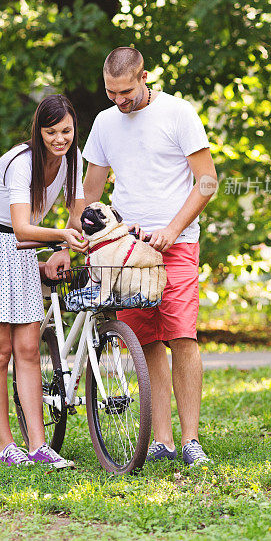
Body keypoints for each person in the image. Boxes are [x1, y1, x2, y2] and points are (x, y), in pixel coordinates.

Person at [82, 47, 218, 466]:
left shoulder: (178, 114)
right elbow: (91, 190)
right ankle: (162, 439)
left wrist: (172, 230)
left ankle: (191, 439)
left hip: (176, 245)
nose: (118, 101)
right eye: (110, 92)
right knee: (146, 342)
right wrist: (86, 233)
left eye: (124, 91)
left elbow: (208, 181)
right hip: (124, 250)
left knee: (182, 336)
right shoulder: (105, 123)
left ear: (144, 77)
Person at [0, 95, 87, 469]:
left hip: (21, 250)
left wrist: (65, 249)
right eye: (52, 132)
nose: (60, 139)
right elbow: (22, 225)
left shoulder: (73, 161)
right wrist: (59, 235)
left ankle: (38, 446)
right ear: (38, 132)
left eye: (67, 131)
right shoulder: (20, 162)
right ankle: (7, 445)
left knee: (27, 350)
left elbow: (77, 216)